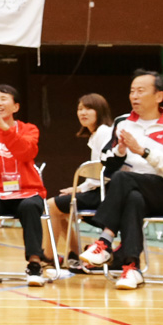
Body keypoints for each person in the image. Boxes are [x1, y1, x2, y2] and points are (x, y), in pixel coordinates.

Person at [79, 71, 163, 289]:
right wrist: (119, 151)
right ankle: (132, 268)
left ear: (158, 96)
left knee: (124, 179)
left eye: (141, 91)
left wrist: (143, 151)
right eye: (132, 91)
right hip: (130, 190)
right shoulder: (122, 123)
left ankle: (105, 240)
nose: (134, 96)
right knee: (133, 198)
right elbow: (106, 163)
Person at [0, 84, 46, 287]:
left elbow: (26, 152)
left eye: (3, 98)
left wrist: (3, 127)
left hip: (28, 191)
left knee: (30, 207)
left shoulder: (29, 129)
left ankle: (35, 265)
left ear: (16, 106)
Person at [45, 93, 113, 270]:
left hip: (108, 194)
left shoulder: (104, 132)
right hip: (98, 190)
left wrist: (81, 189)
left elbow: (106, 171)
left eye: (88, 108)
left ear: (100, 111)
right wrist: (80, 188)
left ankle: (47, 255)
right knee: (61, 210)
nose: (83, 112)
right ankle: (74, 254)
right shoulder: (95, 135)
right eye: (80, 109)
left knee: (50, 205)